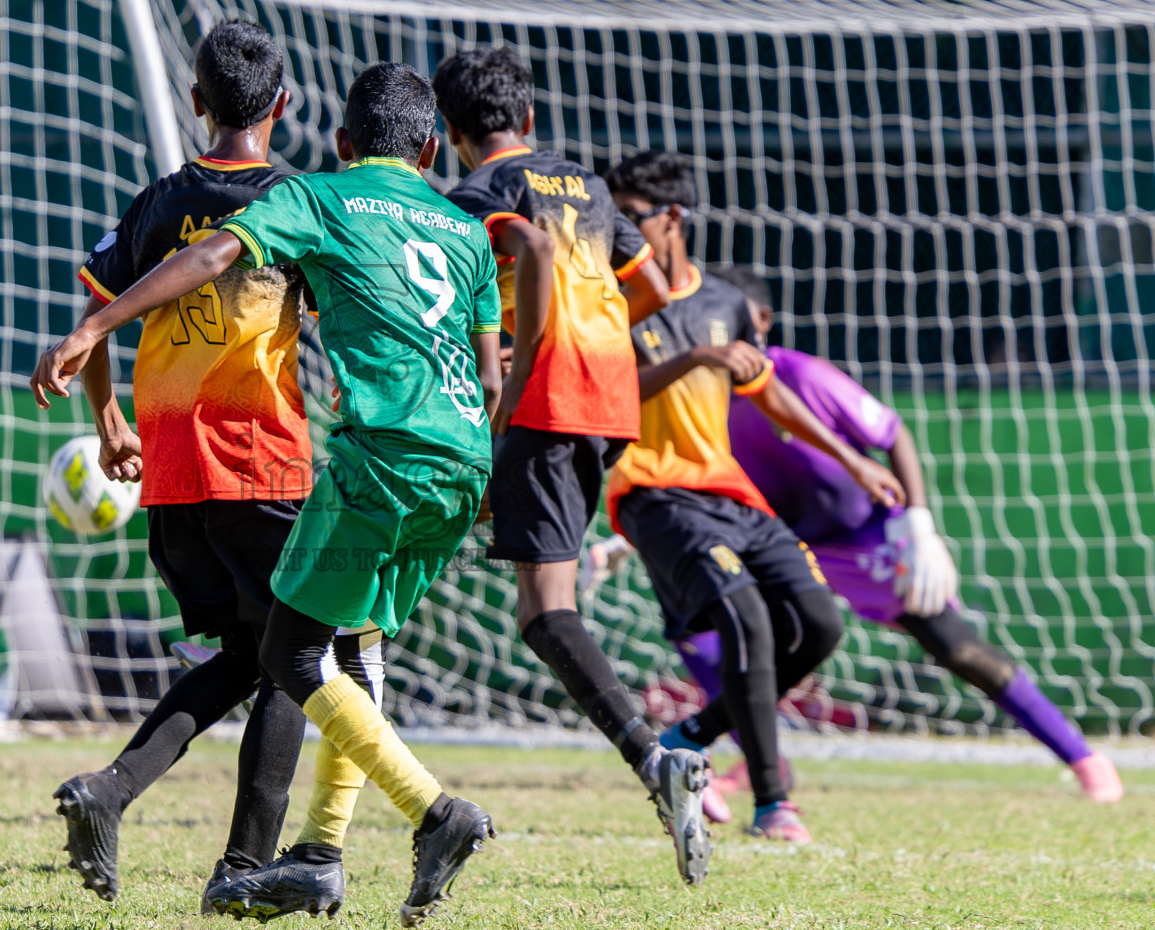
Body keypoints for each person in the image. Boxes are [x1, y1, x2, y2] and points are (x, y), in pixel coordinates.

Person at [34, 62, 504, 926]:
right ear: (433, 149)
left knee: (290, 654)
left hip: (373, 460)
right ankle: (319, 855)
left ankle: (437, 814)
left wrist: (96, 326)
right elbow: (487, 370)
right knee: (349, 650)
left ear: (339, 142)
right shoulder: (465, 231)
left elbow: (215, 253)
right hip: (465, 464)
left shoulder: (320, 197)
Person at [671, 266, 1122, 814]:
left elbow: (892, 434)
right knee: (701, 634)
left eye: (723, 313)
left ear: (760, 320)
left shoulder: (802, 375)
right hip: (777, 541)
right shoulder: (698, 394)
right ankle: (759, 759)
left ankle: (1082, 758)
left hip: (866, 537)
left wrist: (919, 525)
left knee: (955, 645)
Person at [38, 19, 313, 908]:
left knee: (244, 653)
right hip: (260, 464)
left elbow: (102, 298)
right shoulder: (298, 200)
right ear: (283, 105)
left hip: (171, 475)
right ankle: (245, 868)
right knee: (300, 659)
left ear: (197, 103)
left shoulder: (159, 201)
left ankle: (109, 792)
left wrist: (110, 418)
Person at [431, 46, 710, 885]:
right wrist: (587, 334)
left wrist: (515, 372)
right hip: (608, 398)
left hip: (545, 402)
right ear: (528, 119)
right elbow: (657, 288)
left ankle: (659, 761)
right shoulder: (583, 183)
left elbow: (532, 262)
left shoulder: (477, 196)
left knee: (546, 614)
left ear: (449, 135)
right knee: (533, 591)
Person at [603, 149, 906, 843]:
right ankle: (774, 804)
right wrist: (695, 359)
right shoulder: (612, 302)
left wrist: (856, 463)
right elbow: (610, 396)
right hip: (654, 491)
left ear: (672, 219)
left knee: (820, 624)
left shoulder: (725, 302)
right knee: (747, 619)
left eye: (630, 217)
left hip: (728, 492)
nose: (617, 232)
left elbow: (768, 391)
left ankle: (692, 734)